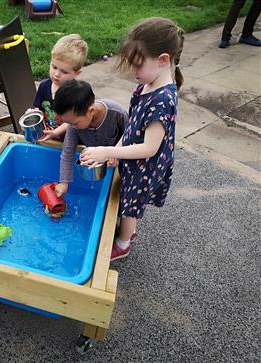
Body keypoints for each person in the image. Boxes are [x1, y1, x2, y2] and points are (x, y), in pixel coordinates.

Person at [80, 17, 183, 261]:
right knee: (128, 197)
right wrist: (117, 146)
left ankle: (124, 242)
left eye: (137, 65)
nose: (133, 72)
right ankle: (129, 231)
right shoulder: (148, 84)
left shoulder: (162, 100)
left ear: (163, 60)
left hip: (146, 165)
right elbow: (133, 125)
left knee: (130, 202)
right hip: (135, 157)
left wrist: (108, 152)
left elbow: (149, 148)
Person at [44, 79, 127, 197]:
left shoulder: (117, 114)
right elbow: (67, 153)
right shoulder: (74, 124)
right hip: (99, 162)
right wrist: (64, 182)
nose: (70, 126)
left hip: (119, 160)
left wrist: (118, 155)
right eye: (68, 123)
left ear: (91, 111)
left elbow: (131, 135)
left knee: (118, 194)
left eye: (74, 123)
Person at [32, 34, 88, 136]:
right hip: (48, 135)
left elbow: (74, 121)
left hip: (68, 140)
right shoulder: (44, 86)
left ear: (77, 73)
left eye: (64, 72)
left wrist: (55, 132)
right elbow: (38, 108)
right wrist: (35, 116)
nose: (56, 74)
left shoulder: (76, 94)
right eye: (54, 67)